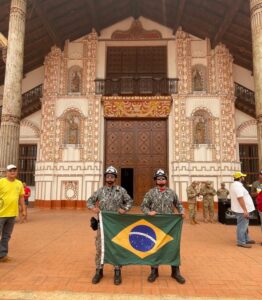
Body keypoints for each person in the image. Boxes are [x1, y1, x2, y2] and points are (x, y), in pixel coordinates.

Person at [87, 166, 133, 285]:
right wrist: (93, 208)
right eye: (108, 176)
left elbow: (129, 201)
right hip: (103, 224)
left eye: (112, 176)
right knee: (100, 247)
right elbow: (89, 201)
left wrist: (125, 209)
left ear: (115, 178)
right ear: (105, 178)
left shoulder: (121, 190)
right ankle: (99, 270)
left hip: (117, 225)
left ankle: (117, 271)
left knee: (116, 247)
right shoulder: (100, 191)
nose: (110, 178)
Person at [141, 169, 185, 284]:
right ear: (156, 180)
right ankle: (154, 271)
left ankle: (175, 271)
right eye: (159, 178)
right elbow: (143, 206)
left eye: (163, 178)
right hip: (155, 225)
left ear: (166, 180)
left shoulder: (171, 193)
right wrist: (149, 212)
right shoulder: (150, 193)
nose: (161, 180)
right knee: (155, 247)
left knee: (172, 246)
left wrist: (181, 211)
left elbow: (178, 204)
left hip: (170, 225)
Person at [0, 164, 25, 262]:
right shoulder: (1, 182)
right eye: (10, 170)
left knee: (6, 235)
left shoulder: (19, 184)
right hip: (1, 214)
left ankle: (3, 255)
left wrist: (23, 210)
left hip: (12, 214)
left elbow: (21, 197)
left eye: (14, 170)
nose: (12, 172)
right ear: (6, 172)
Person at [229, 172, 255, 248]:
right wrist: (245, 210)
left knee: (244, 225)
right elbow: (240, 198)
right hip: (241, 210)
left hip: (240, 209)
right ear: (240, 178)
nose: (244, 178)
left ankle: (246, 239)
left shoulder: (236, 185)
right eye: (243, 177)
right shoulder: (238, 186)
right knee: (242, 225)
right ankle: (241, 241)